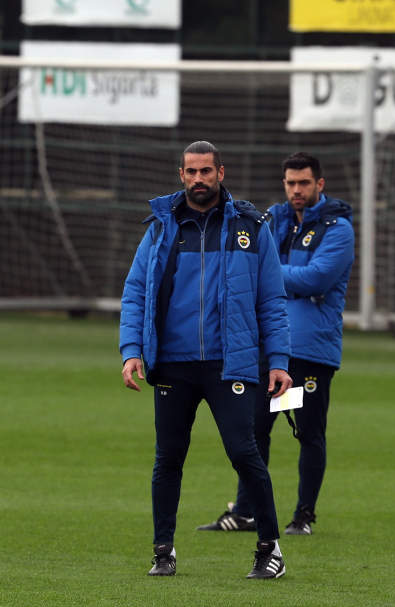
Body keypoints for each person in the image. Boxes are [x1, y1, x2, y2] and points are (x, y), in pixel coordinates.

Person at [120, 141, 292, 579]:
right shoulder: (161, 228)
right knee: (168, 459)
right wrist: (131, 350)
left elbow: (272, 300)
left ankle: (270, 549)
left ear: (221, 173)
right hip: (172, 364)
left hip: (229, 363)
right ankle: (163, 551)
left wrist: (278, 360)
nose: (199, 179)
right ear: (181, 175)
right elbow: (135, 292)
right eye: (191, 171)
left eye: (206, 171)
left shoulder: (252, 228)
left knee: (244, 452)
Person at [197, 152, 355, 536]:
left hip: (310, 350)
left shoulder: (339, 229)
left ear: (320, 184)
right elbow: (246, 266)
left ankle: (303, 516)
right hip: (269, 347)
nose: (296, 189)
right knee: (254, 429)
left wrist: (267, 272)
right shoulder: (272, 219)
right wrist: (278, 276)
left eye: (304, 182)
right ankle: (246, 512)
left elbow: (317, 279)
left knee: (308, 433)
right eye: (290, 182)